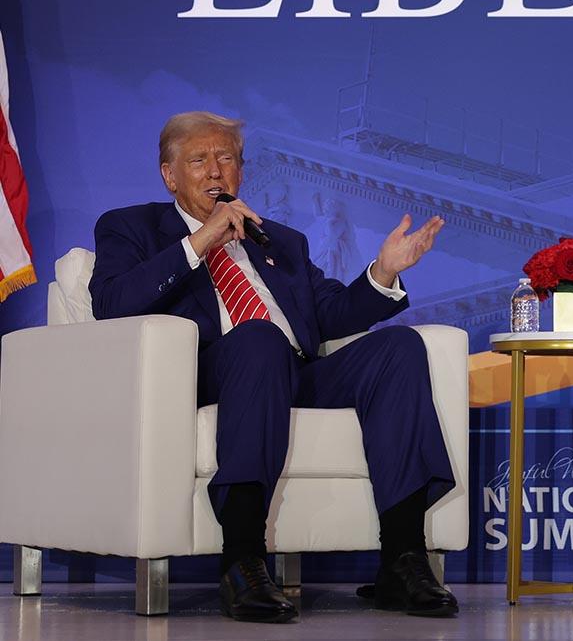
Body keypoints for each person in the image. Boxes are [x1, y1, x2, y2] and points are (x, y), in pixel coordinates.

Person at [89, 112, 458, 622]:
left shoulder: (279, 240)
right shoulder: (131, 226)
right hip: (210, 374)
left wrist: (384, 271)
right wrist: (202, 241)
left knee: (398, 348)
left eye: (227, 159)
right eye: (199, 161)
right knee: (259, 341)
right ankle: (242, 560)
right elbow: (110, 303)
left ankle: (402, 559)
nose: (216, 172)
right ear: (169, 175)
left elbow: (328, 312)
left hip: (293, 372)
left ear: (241, 171)